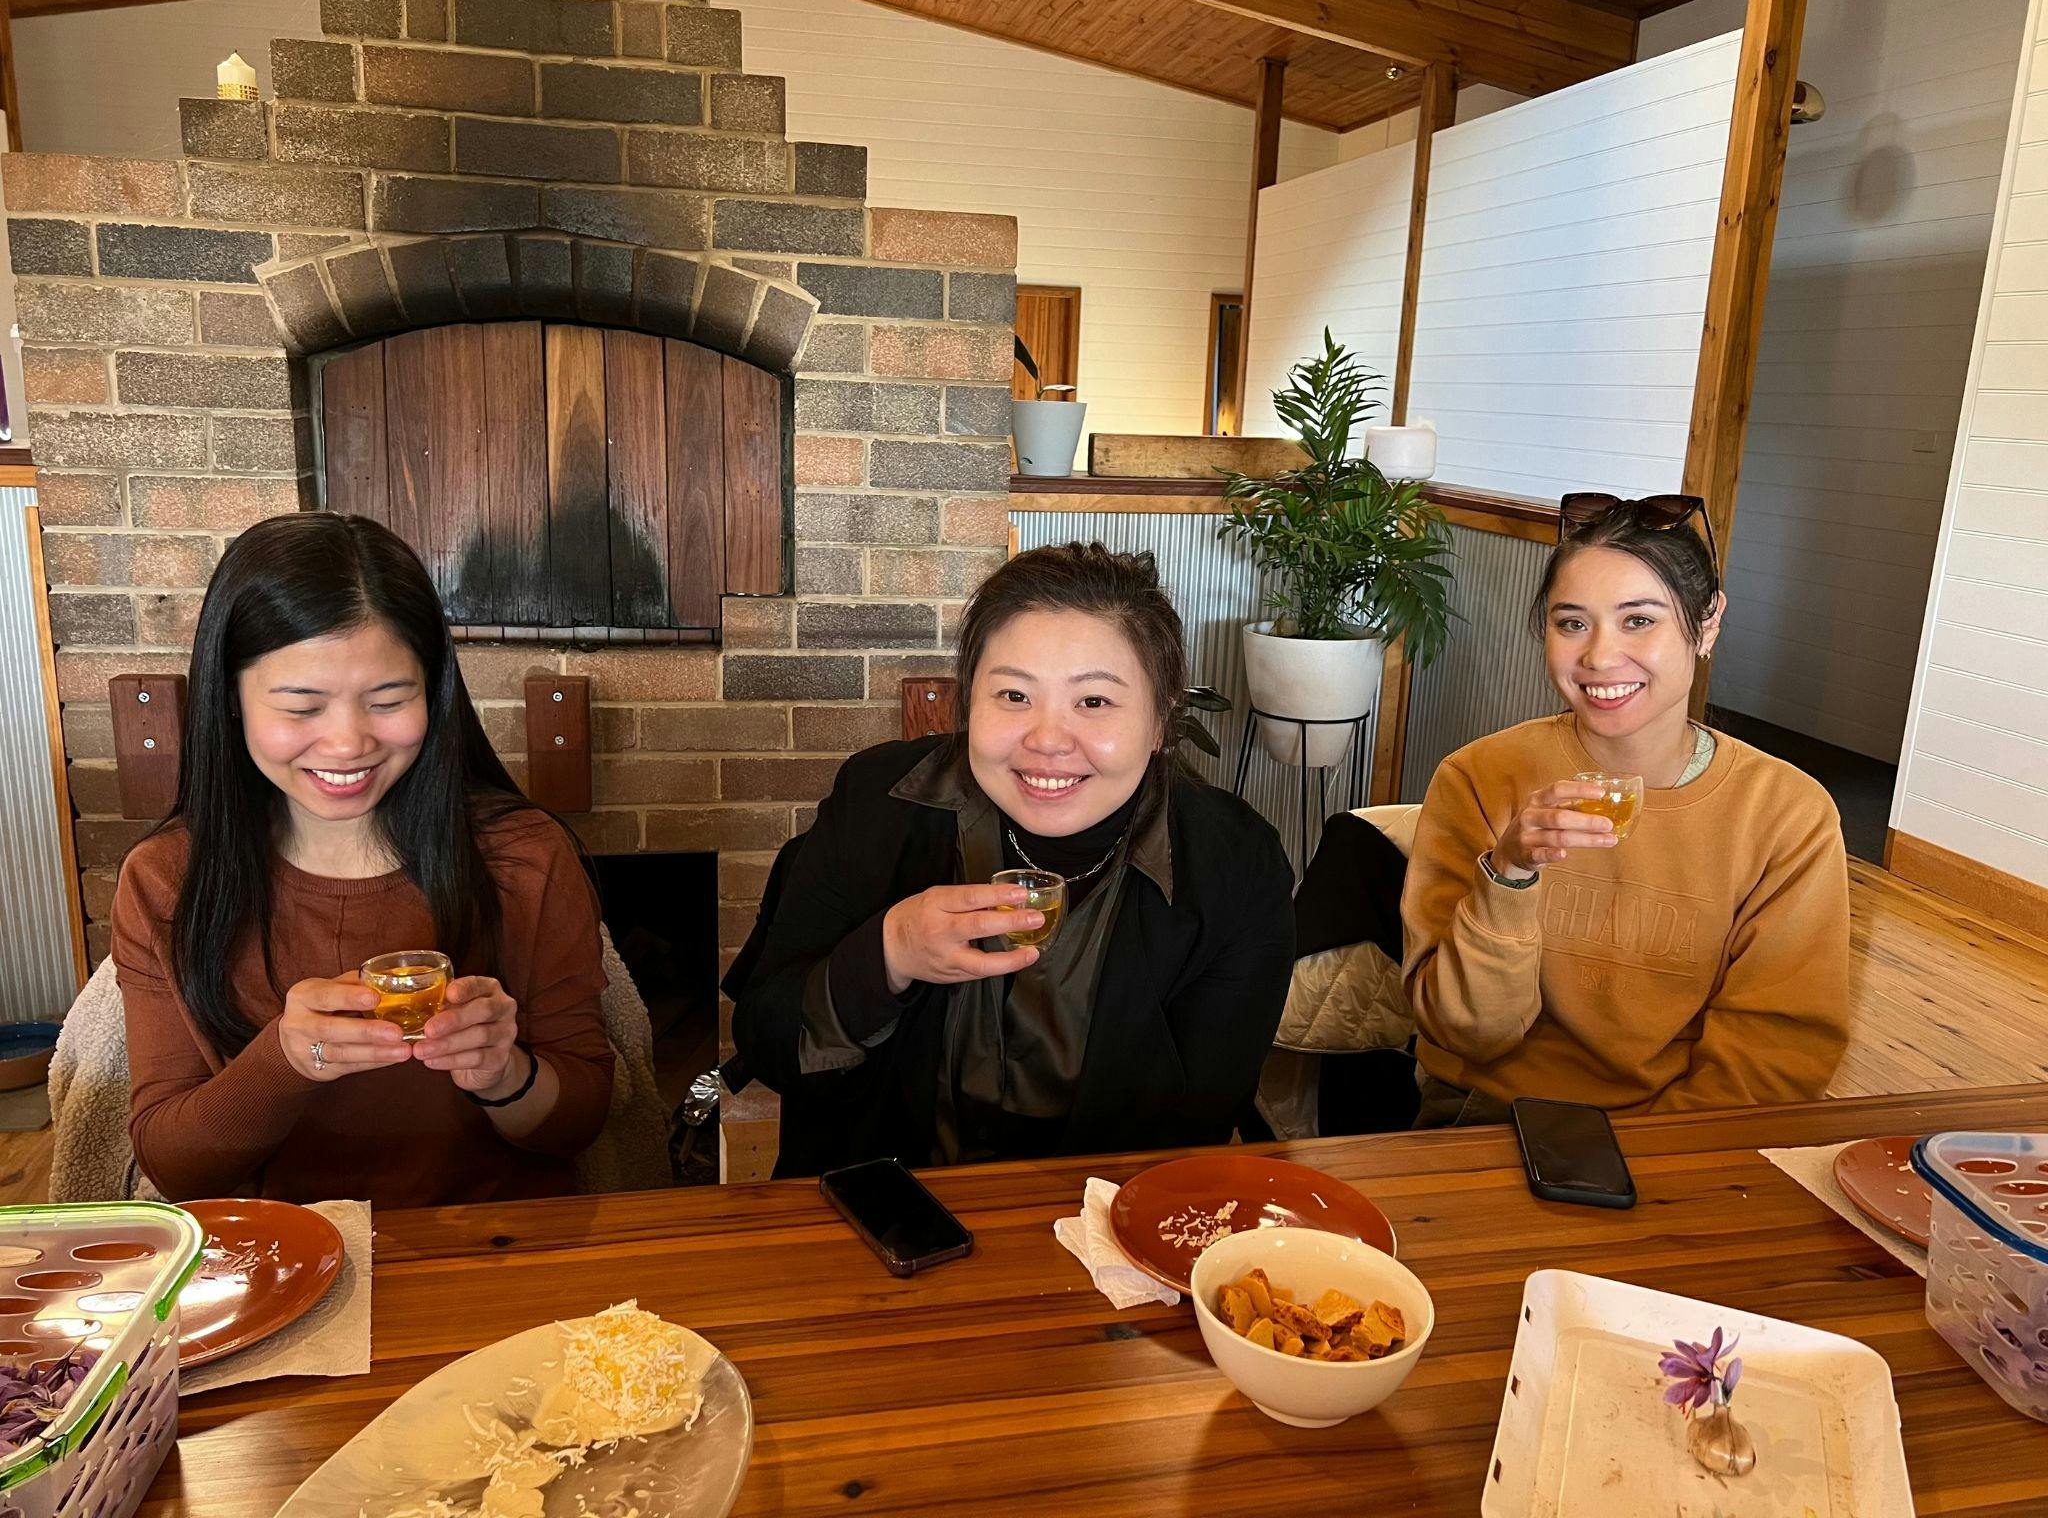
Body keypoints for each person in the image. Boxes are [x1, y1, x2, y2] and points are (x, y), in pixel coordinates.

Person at [730, 542, 1296, 1177]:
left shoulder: (1237, 864)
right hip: (887, 1218)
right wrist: (889, 952)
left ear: (1161, 720)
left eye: (1094, 702)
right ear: (969, 700)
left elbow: (1201, 1120)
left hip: (1105, 1235)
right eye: (1013, 697)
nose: (1047, 740)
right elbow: (764, 1039)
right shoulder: (876, 801)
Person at [112, 512, 614, 1206]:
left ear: (433, 692)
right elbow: (178, 1167)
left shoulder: (523, 855)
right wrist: (287, 1058)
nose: (348, 744)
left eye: (387, 700)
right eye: (301, 706)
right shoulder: (168, 878)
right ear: (230, 695)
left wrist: (505, 1072)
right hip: (280, 1266)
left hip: (495, 1257)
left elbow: (580, 1125)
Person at [1401, 493, 1851, 1126]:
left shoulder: (1785, 813)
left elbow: (1774, 1053)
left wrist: (1656, 1158)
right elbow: (1467, 1034)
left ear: (1709, 623)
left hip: (1681, 1132)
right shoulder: (1480, 777)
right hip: (1490, 1114)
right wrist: (1508, 874)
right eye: (1572, 623)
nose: (1599, 658)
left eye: (1639, 620)